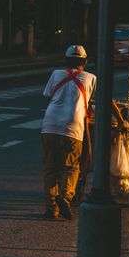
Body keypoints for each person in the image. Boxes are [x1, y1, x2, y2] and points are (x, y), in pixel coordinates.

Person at [41, 44, 96, 221]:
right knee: (71, 166)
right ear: (85, 62)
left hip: (49, 124)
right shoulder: (91, 78)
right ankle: (64, 197)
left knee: (50, 168)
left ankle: (51, 208)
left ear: (66, 61)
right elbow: (99, 101)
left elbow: (49, 95)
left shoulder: (56, 74)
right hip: (73, 126)